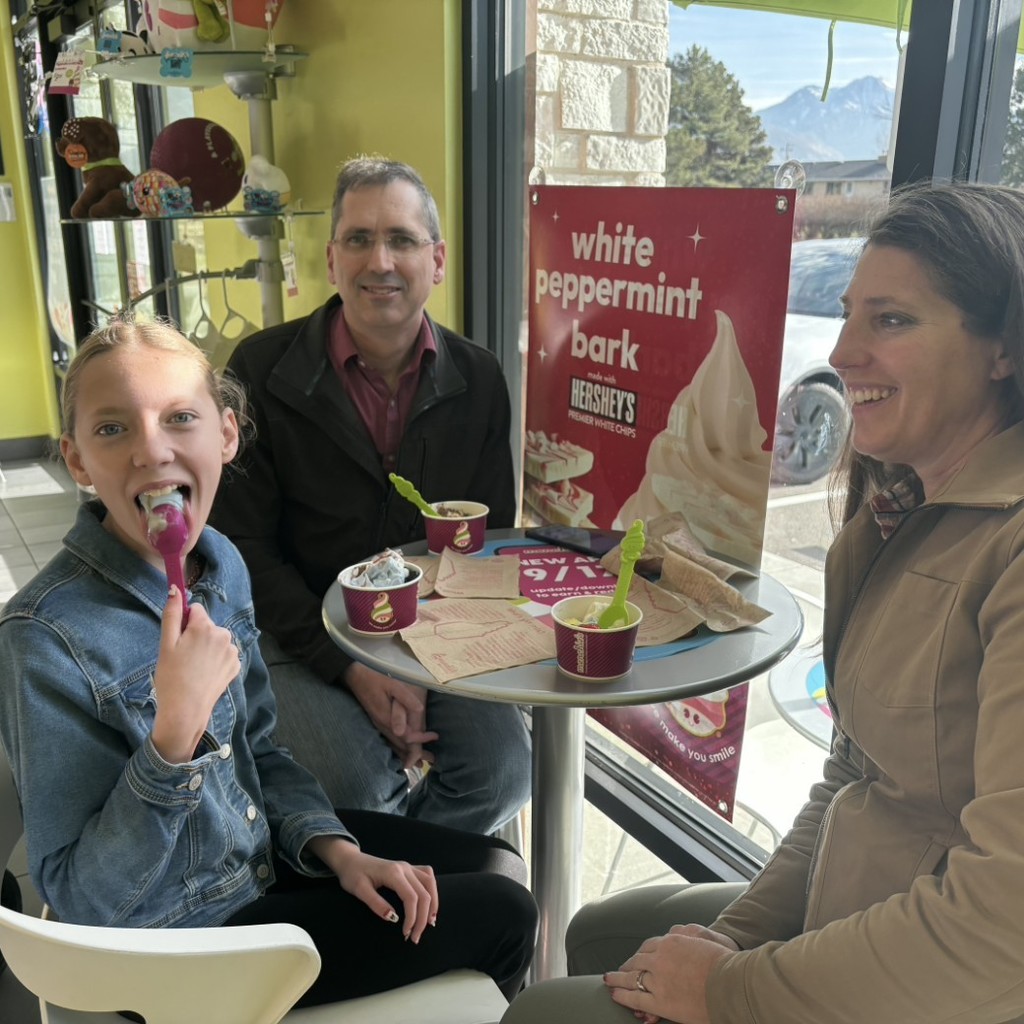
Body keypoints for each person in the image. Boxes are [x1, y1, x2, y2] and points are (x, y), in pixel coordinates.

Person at [501, 180, 1024, 1024]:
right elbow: (851, 775)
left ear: (1003, 346)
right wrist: (732, 940)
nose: (845, 352)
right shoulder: (891, 520)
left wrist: (729, 989)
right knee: (598, 932)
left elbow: (1004, 934)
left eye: (891, 321)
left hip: (921, 989)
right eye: (850, 315)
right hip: (836, 920)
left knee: (542, 1013)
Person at [0, 317, 537, 1007]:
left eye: (180, 418)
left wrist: (337, 852)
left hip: (256, 860)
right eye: (113, 429)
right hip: (189, 942)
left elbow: (261, 757)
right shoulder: (42, 637)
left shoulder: (219, 562)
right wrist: (174, 739)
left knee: (498, 862)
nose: (152, 450)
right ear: (76, 461)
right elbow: (81, 900)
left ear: (225, 435)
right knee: (506, 917)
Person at [210, 156, 530, 835]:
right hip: (298, 633)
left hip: (431, 631)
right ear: (331, 259)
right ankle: (378, 878)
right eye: (358, 239)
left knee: (504, 773)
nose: (379, 260)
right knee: (355, 785)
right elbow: (239, 550)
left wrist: (421, 669)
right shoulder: (259, 372)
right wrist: (352, 671)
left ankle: (400, 889)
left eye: (402, 240)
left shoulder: (480, 377)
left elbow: (485, 543)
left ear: (437, 260)